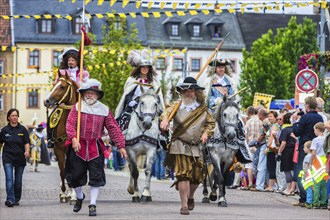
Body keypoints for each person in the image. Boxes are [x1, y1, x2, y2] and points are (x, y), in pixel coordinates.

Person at [65, 78, 126, 217]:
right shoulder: (77, 107)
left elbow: (113, 128)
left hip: (95, 148)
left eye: (93, 93)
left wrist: (121, 146)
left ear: (98, 95)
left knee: (96, 177)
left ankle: (92, 204)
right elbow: (70, 124)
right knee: (75, 177)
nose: (90, 95)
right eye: (87, 93)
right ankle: (80, 197)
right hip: (78, 147)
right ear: (83, 94)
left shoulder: (104, 110)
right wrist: (74, 138)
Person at [160, 77, 215, 215]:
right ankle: (184, 205)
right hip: (180, 145)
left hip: (197, 146)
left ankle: (191, 197)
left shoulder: (203, 109)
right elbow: (165, 114)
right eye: (185, 90)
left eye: (191, 90)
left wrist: (206, 134)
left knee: (196, 177)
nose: (188, 93)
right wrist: (165, 120)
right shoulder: (176, 106)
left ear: (196, 92)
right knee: (183, 175)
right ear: (182, 92)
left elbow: (211, 124)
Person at [115, 57, 165, 133]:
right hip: (135, 104)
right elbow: (127, 94)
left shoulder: (154, 81)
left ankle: (163, 139)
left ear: (149, 69)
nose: (145, 69)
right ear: (139, 68)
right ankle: (118, 136)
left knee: (161, 119)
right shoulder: (132, 80)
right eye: (143, 67)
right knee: (123, 117)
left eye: (147, 67)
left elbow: (158, 95)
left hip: (150, 105)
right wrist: (130, 101)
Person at [292, 96, 323, 207]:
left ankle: (304, 198)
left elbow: (297, 132)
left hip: (305, 148)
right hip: (316, 149)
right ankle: (314, 197)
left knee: (302, 171)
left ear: (308, 106)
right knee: (315, 172)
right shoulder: (320, 118)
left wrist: (296, 122)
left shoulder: (304, 117)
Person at [0, 108, 30, 207]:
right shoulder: (4, 130)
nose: (14, 117)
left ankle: (16, 198)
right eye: (12, 115)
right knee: (9, 179)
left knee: (18, 181)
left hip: (20, 159)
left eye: (16, 115)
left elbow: (26, 142)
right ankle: (10, 199)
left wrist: (27, 151)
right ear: (9, 117)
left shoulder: (23, 129)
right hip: (8, 157)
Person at [276, 113, 296, 196]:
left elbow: (283, 143)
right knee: (293, 170)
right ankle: (293, 188)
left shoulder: (285, 130)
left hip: (286, 151)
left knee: (287, 170)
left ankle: (288, 188)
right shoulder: (294, 128)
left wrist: (279, 152)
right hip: (294, 151)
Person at [309, 122, 327, 209]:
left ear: (317, 130)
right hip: (325, 160)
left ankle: (315, 202)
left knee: (316, 183)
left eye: (314, 130)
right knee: (324, 184)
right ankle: (324, 201)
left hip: (317, 161)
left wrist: (310, 162)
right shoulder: (326, 138)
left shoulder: (315, 140)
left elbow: (313, 152)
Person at [301, 141, 313, 209]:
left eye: (304, 147)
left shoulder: (308, 156)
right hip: (311, 174)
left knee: (308, 188)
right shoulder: (312, 156)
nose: (303, 149)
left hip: (307, 175)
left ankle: (309, 202)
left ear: (309, 149)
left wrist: (304, 175)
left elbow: (306, 166)